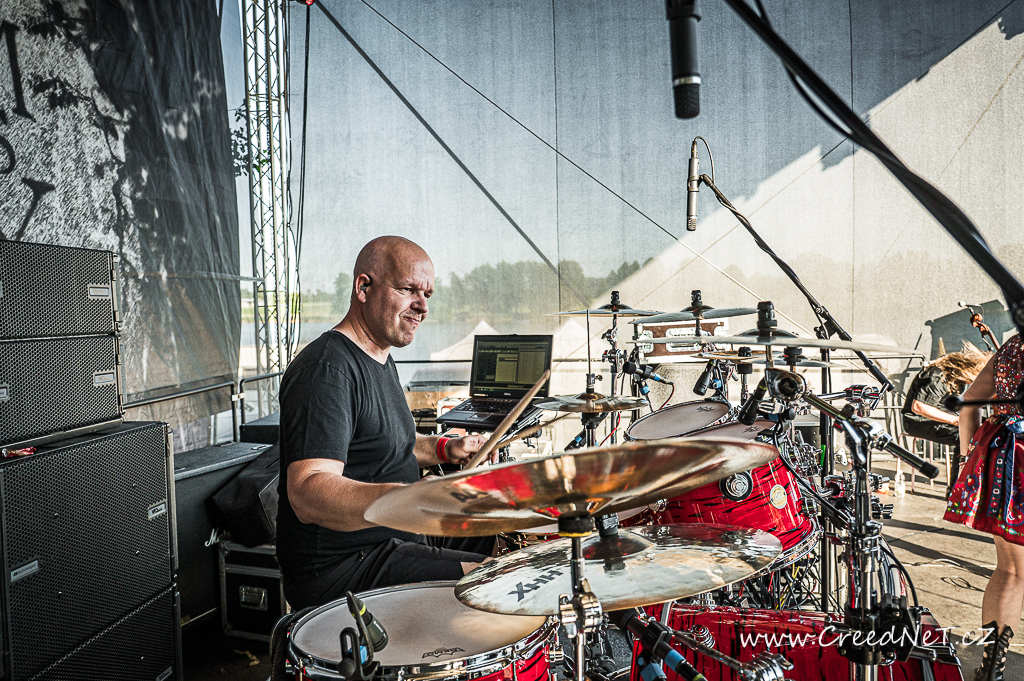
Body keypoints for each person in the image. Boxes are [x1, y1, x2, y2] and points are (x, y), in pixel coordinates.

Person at [276, 236, 491, 609]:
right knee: (491, 577)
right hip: (343, 564)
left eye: (427, 294)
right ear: (363, 288)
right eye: (408, 289)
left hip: (395, 533)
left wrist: (446, 448)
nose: (422, 306)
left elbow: (389, 442)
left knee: (497, 529)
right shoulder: (326, 369)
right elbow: (308, 492)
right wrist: (410, 499)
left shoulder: (380, 357)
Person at [944, 333, 1024, 681]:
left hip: (1007, 458)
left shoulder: (1013, 346)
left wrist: (968, 457)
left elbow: (968, 405)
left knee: (1012, 570)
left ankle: (991, 668)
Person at [902, 343, 990, 498]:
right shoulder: (938, 375)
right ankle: (956, 490)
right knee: (966, 436)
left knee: (986, 426)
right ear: (971, 370)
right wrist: (957, 421)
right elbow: (919, 407)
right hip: (917, 421)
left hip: (938, 419)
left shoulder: (957, 379)